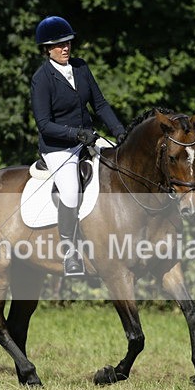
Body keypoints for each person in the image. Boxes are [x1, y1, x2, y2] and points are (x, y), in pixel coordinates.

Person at [30, 15, 126, 276]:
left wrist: (120, 132)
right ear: (47, 48)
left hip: (87, 139)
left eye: (68, 43)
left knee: (121, 167)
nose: (65, 48)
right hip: (58, 148)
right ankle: (70, 252)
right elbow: (44, 124)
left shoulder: (81, 68)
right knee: (71, 190)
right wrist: (76, 134)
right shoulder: (42, 79)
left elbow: (101, 105)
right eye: (59, 45)